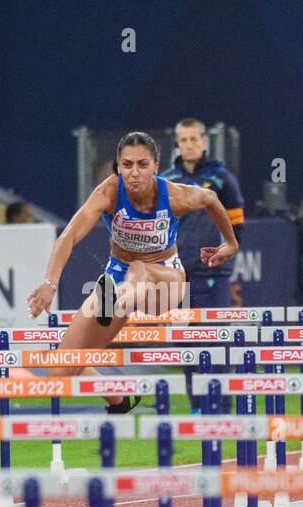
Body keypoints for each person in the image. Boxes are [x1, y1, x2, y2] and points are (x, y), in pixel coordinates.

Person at [23, 131, 239, 411]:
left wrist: (230, 243)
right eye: (127, 165)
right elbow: (69, 236)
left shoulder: (174, 196)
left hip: (165, 282)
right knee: (60, 372)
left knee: (140, 270)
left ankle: (117, 296)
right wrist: (49, 284)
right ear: (118, 166)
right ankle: (120, 398)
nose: (134, 173)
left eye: (142, 165)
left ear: (156, 167)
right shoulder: (108, 193)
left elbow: (211, 198)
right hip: (118, 278)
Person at [161, 118, 245, 307]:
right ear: (177, 144)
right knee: (177, 336)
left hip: (212, 271)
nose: (189, 145)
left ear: (204, 142)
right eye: (183, 140)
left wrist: (227, 252)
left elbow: (237, 221)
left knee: (215, 334)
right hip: (176, 273)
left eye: (194, 139)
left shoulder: (221, 177)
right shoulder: (166, 180)